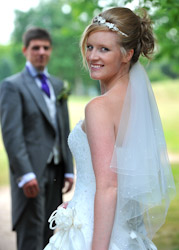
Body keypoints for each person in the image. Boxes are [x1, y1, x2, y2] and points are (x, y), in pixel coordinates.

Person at [44, 7, 176, 250]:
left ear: (127, 54)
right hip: (123, 230)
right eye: (90, 46)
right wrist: (76, 202)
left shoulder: (99, 108)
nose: (93, 56)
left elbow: (108, 186)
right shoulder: (137, 104)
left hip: (95, 234)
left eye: (104, 49)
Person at [0, 27, 74, 250]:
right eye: (35, 48)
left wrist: (69, 168)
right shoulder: (12, 86)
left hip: (56, 170)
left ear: (50, 50)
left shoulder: (58, 85)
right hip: (31, 172)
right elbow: (12, 134)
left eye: (45, 47)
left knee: (48, 233)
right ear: (25, 50)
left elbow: (63, 128)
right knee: (30, 233)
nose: (41, 52)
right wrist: (25, 173)